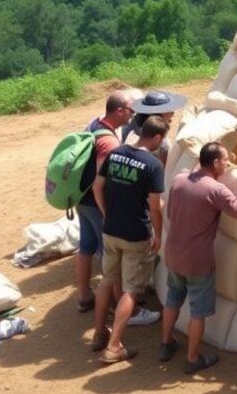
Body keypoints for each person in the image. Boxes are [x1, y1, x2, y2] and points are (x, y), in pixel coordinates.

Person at [159, 142, 237, 374]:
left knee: (173, 299)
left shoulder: (178, 180)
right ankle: (192, 359)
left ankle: (165, 345)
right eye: (226, 160)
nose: (228, 164)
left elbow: (170, 211)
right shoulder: (216, 190)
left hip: (174, 253)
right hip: (198, 261)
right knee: (198, 311)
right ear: (215, 162)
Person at [90, 116, 169, 363]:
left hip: (110, 230)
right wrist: (159, 234)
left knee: (106, 281)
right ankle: (114, 347)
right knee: (131, 290)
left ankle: (99, 333)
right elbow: (155, 207)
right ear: (156, 137)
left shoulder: (116, 153)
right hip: (136, 234)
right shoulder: (152, 164)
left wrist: (106, 213)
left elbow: (97, 187)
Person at [75, 90, 135, 314]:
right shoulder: (109, 142)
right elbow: (100, 184)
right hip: (96, 204)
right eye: (131, 110)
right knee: (109, 257)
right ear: (119, 111)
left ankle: (84, 296)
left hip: (81, 199)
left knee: (86, 247)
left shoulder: (94, 123)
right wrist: (108, 213)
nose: (133, 115)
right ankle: (114, 302)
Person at [122, 90, 186, 167]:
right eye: (169, 110)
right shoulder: (161, 142)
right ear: (160, 114)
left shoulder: (127, 127)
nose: (173, 114)